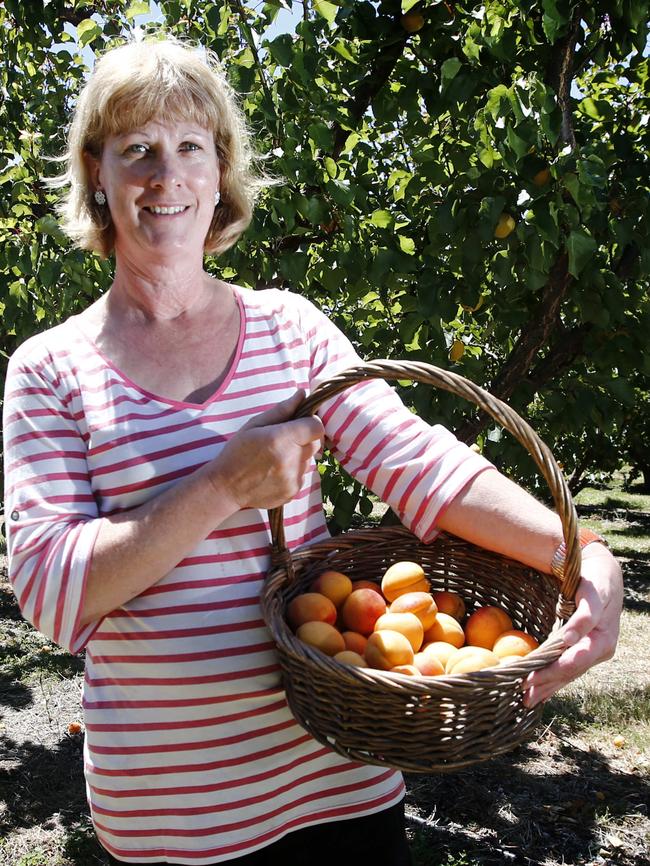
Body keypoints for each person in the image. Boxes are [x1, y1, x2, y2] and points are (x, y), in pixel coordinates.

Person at [3, 36, 622, 866]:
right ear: (96, 171)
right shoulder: (50, 369)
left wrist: (578, 553)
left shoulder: (289, 331)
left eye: (191, 147)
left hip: (337, 775)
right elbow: (50, 592)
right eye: (137, 151)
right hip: (171, 811)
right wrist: (222, 485)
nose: (167, 176)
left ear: (219, 170)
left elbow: (417, 461)